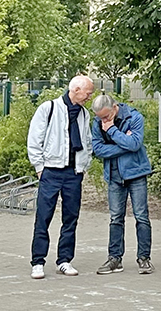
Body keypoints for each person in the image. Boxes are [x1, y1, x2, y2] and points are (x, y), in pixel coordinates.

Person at [26, 76, 95, 279]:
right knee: (43, 217)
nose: (89, 98)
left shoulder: (84, 114)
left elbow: (87, 140)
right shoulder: (49, 108)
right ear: (75, 89)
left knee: (71, 218)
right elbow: (35, 138)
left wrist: (84, 165)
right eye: (88, 93)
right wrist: (40, 167)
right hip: (51, 171)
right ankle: (38, 261)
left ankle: (64, 260)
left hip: (74, 173)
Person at [90, 93, 153, 275]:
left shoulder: (134, 117)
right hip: (114, 175)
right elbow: (98, 149)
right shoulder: (97, 121)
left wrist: (111, 131)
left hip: (136, 173)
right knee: (115, 218)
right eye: (100, 117)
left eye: (106, 117)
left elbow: (135, 144)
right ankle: (115, 259)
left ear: (114, 108)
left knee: (141, 216)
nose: (103, 121)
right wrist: (124, 143)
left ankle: (144, 258)